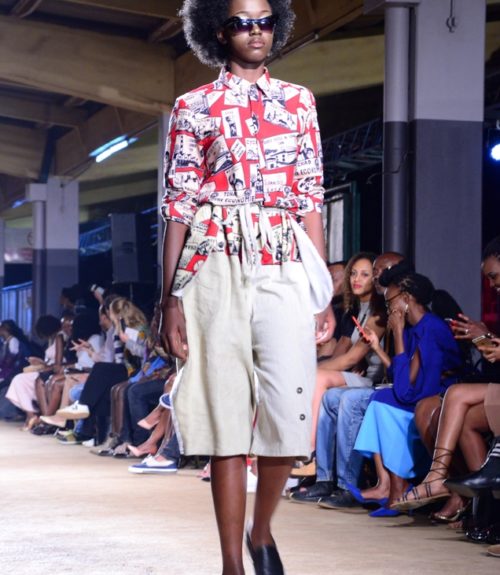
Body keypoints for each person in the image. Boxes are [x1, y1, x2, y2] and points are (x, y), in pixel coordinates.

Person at [159, 1, 334, 573]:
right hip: (212, 264)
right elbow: (178, 206)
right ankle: (232, 563)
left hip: (283, 259)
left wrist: (322, 292)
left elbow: (310, 198)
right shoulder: (193, 106)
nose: (256, 32)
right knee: (226, 418)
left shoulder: (299, 101)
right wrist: (170, 298)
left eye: (265, 21)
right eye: (242, 22)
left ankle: (262, 531)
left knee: (289, 410)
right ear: (219, 31)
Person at [290, 252, 404, 508]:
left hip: (372, 381)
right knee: (326, 392)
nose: (357, 279)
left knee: (320, 381)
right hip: (354, 378)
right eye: (353, 273)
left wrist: (311, 373)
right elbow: (339, 354)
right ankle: (323, 478)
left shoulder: (379, 313)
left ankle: (309, 453)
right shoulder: (353, 312)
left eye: (365, 274)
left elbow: (351, 358)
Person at [353, 270, 462, 514]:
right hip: (421, 395)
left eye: (390, 302)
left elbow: (408, 393)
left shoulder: (430, 329)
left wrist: (399, 336)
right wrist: (379, 348)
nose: (388, 309)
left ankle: (395, 486)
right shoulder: (416, 328)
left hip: (438, 399)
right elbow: (401, 377)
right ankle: (387, 484)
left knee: (382, 403)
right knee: (378, 399)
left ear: (406, 298)